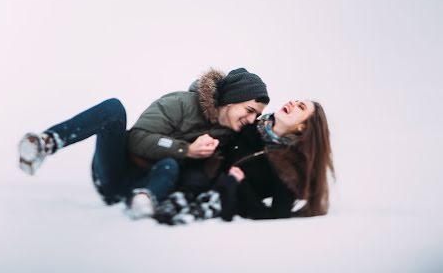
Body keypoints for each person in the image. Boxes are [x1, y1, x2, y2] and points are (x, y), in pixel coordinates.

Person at [17, 67, 270, 219]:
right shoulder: (180, 103)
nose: (251, 119)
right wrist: (187, 150)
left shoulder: (233, 134)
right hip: (116, 170)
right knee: (114, 109)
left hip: (149, 183)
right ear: (231, 100)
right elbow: (138, 139)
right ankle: (45, 142)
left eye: (256, 115)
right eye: (249, 110)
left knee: (170, 165)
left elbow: (265, 139)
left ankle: (143, 202)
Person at [155, 99, 335, 224]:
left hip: (224, 201)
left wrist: (241, 185)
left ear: (302, 127)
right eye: (295, 101)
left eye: (300, 106)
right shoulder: (249, 125)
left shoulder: (289, 165)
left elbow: (275, 215)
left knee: (224, 185)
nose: (292, 103)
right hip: (192, 181)